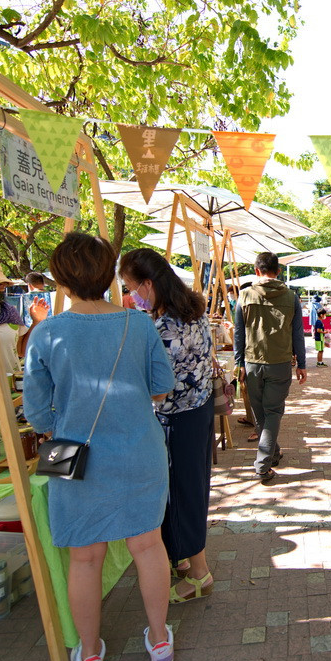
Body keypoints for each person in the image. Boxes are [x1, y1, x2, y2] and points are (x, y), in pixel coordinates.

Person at [23, 233, 177, 661]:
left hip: (69, 452)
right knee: (148, 546)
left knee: (84, 557)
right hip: (139, 448)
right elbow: (161, 388)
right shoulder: (139, 324)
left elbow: (36, 414)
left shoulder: (45, 332)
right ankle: (160, 639)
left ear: (61, 280)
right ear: (110, 272)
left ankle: (89, 656)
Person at [120, 248, 216, 605]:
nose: (131, 295)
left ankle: (199, 572)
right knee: (190, 491)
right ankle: (183, 561)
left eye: (131, 287)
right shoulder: (194, 312)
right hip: (198, 412)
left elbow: (158, 388)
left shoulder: (161, 327)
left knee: (181, 496)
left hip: (177, 419)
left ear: (148, 284)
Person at [234, 252, 307, 482]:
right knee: (273, 412)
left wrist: (238, 363)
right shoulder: (291, 296)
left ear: (257, 271)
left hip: (252, 362)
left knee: (261, 412)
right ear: (277, 270)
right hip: (280, 363)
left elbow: (238, 333)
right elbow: (298, 334)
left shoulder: (244, 295)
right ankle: (266, 460)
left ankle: (265, 460)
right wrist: (302, 363)